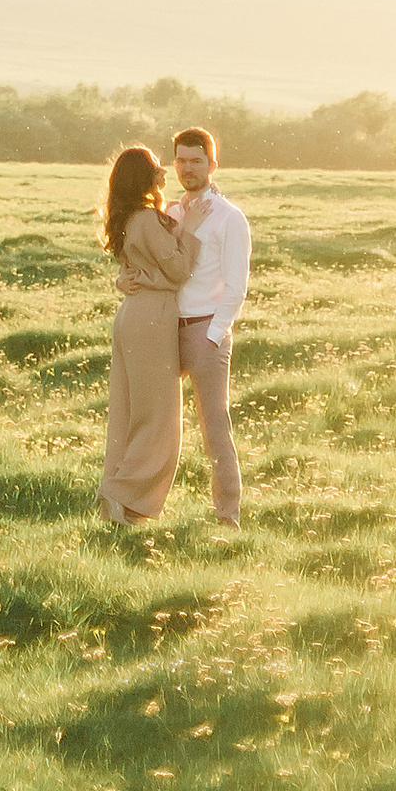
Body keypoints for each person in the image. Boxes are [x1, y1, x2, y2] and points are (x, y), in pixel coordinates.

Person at [98, 142, 199, 521]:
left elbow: (137, 270)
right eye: (157, 166)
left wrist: (133, 278)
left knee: (127, 411)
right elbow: (178, 270)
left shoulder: (130, 218)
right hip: (152, 319)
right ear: (144, 177)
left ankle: (117, 494)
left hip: (132, 315)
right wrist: (194, 233)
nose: (164, 171)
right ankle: (126, 495)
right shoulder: (146, 219)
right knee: (159, 419)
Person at [165, 124, 249, 526]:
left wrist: (214, 336)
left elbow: (237, 286)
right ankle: (142, 506)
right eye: (181, 160)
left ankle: (227, 515)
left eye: (196, 160)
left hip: (205, 330)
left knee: (214, 426)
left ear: (212, 164)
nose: (187, 168)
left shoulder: (230, 219)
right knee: (157, 422)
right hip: (165, 328)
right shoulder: (170, 212)